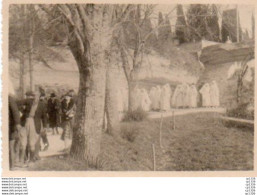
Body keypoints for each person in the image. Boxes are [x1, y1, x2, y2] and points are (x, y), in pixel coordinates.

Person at [19, 90, 48, 162]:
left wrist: (45, 126)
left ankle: (32, 159)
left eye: (36, 95)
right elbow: (17, 104)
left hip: (35, 124)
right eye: (33, 95)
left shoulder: (42, 104)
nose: (34, 97)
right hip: (25, 122)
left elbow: (44, 116)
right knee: (23, 141)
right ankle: (24, 159)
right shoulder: (28, 102)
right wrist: (22, 111)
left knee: (32, 142)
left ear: (39, 96)